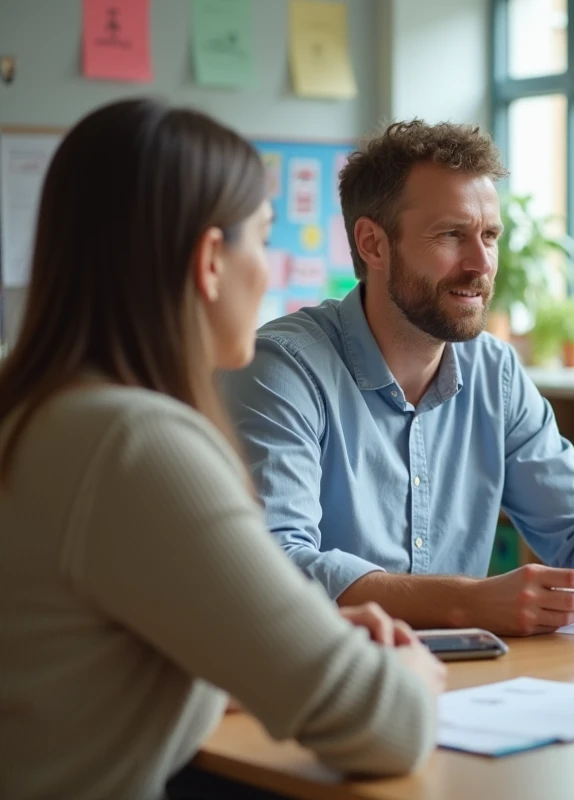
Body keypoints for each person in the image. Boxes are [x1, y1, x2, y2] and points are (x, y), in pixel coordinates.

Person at [0, 99, 445, 800]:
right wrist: (413, 674)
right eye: (262, 241)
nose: (267, 274)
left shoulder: (35, 412)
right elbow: (383, 727)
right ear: (211, 260)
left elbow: (89, 667)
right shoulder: (134, 443)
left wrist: (300, 636)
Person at [222, 119, 574, 636]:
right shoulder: (282, 369)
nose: (481, 264)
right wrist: (465, 605)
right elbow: (277, 564)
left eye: (489, 236)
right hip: (314, 685)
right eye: (451, 235)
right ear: (373, 243)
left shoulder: (493, 371)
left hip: (463, 684)